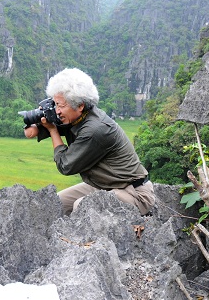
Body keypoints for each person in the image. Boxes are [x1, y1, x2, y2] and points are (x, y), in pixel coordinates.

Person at [24, 67, 156, 216]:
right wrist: (36, 122)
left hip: (134, 192)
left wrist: (53, 131)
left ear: (80, 105)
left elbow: (65, 165)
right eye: (55, 104)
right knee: (54, 203)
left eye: (61, 105)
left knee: (82, 206)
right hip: (103, 186)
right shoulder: (75, 116)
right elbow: (33, 131)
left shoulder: (95, 129)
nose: (57, 111)